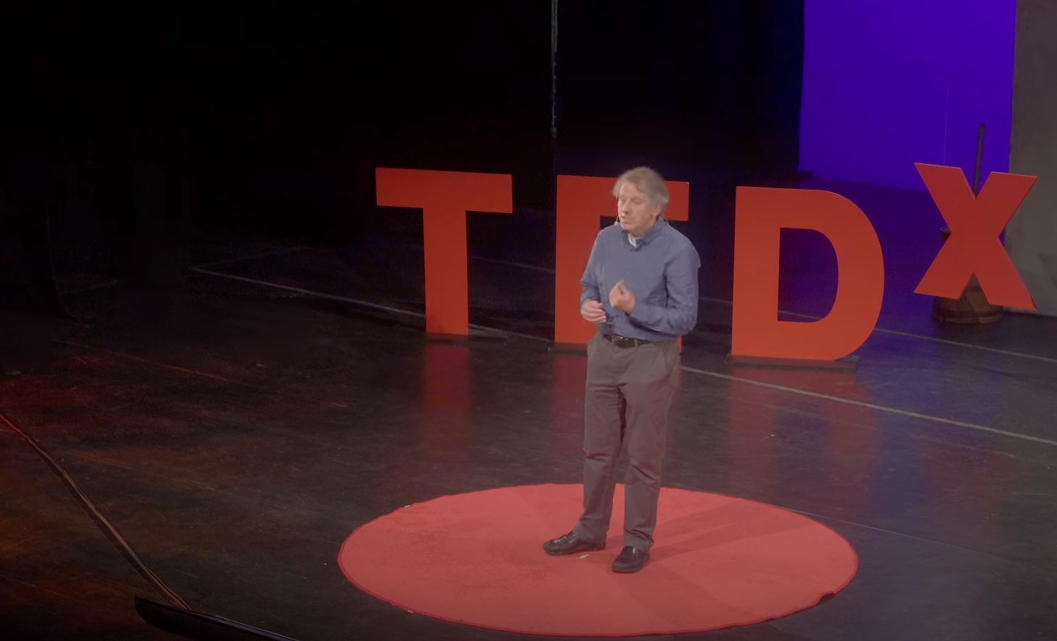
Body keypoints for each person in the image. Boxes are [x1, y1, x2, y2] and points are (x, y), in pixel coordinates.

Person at [543, 166, 700, 573]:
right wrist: (587, 306)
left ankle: (636, 541)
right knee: (597, 450)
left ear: (657, 208)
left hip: (649, 359)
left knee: (643, 456)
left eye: (633, 201)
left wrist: (637, 309)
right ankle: (591, 529)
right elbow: (588, 286)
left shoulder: (678, 250)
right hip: (605, 352)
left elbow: (684, 319)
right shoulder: (605, 239)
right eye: (620, 199)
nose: (623, 208)